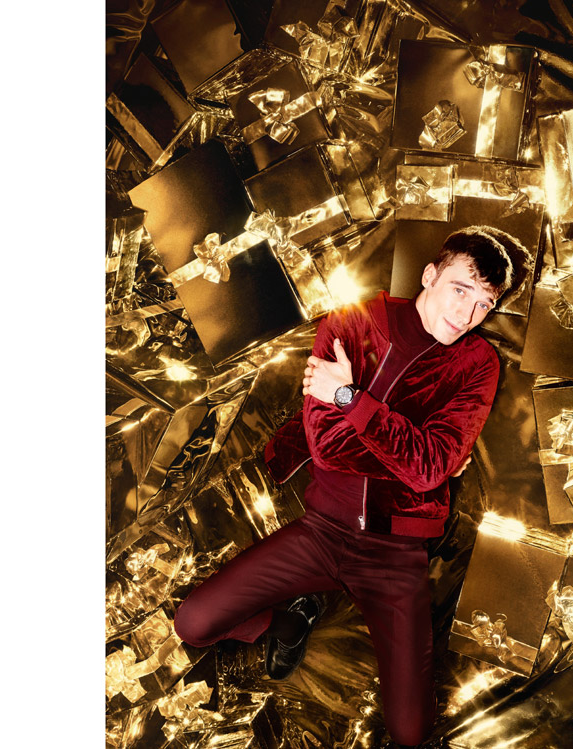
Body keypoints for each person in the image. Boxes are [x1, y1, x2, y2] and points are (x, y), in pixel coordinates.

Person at [174, 226, 531, 747]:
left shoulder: (476, 365)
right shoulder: (353, 322)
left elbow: (430, 468)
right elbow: (329, 448)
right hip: (321, 530)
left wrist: (349, 397)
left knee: (411, 732)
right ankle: (288, 621)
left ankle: (315, 610)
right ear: (430, 275)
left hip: (396, 552)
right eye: (460, 290)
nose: (467, 313)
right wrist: (417, 451)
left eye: (484, 304)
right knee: (193, 623)